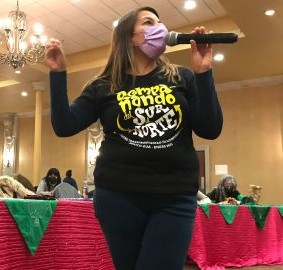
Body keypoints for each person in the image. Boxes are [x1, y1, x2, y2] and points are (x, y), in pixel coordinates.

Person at [44, 6, 223, 270]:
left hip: (174, 195)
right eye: (149, 22)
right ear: (129, 36)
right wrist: (58, 74)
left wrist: (204, 71)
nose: (160, 28)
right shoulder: (103, 84)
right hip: (117, 196)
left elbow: (210, 129)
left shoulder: (182, 76)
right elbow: (64, 125)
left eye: (160, 22)